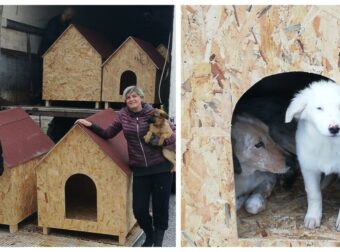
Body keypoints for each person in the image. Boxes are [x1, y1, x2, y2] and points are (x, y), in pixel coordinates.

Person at [75, 86, 175, 247]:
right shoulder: (123, 116)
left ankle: (157, 244)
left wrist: (160, 141)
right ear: (125, 101)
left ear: (141, 98)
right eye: (128, 98)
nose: (131, 99)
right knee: (139, 210)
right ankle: (149, 235)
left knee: (160, 209)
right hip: (140, 169)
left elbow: (173, 135)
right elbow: (108, 133)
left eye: (134, 96)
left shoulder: (154, 113)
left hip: (161, 167)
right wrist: (90, 124)